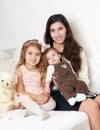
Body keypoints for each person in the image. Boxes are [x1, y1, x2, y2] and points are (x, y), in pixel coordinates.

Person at [44, 13, 100, 129]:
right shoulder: (46, 52)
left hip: (77, 88)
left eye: (60, 29)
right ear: (49, 33)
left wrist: (78, 88)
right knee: (92, 106)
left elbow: (84, 78)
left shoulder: (77, 50)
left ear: (66, 29)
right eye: (53, 30)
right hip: (59, 94)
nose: (57, 34)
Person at [15, 39, 56, 120]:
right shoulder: (20, 70)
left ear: (41, 56)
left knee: (53, 104)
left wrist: (46, 97)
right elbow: (20, 91)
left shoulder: (42, 70)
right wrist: (34, 97)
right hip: (28, 95)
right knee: (22, 98)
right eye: (30, 53)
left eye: (37, 54)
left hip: (40, 95)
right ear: (24, 54)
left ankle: (31, 112)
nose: (33, 57)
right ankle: (41, 112)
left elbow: (46, 88)